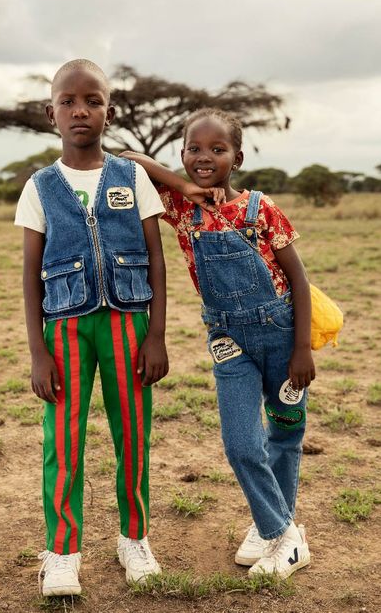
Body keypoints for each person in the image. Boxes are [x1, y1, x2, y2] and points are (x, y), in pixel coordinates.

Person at [120, 107, 315, 579]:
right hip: (227, 339)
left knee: (284, 434)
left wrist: (302, 348)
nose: (204, 157)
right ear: (182, 154)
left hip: (283, 334)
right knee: (240, 442)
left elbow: (299, 279)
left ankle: (271, 526)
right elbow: (126, 158)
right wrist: (183, 185)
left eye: (217, 149)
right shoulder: (181, 207)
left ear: (238, 156)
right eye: (194, 149)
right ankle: (284, 535)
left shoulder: (260, 208)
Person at [14, 59, 168, 596]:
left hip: (129, 323)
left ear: (108, 108)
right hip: (63, 330)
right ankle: (61, 552)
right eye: (68, 102)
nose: (81, 110)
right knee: (64, 439)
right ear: (50, 111)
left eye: (93, 101)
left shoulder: (133, 177)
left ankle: (134, 538)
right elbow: (30, 275)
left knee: (133, 434)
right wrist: (37, 351)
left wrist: (157, 335)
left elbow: (155, 256)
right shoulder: (40, 186)